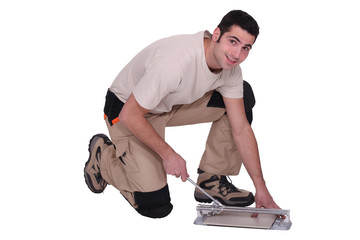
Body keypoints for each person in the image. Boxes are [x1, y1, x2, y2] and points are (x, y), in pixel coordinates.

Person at [84, 9, 281, 218]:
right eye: (233, 41)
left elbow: (240, 129)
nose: (237, 54)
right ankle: (103, 156)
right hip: (127, 109)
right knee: (154, 204)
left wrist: (261, 187)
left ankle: (211, 179)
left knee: (243, 96)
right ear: (216, 35)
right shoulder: (175, 63)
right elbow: (130, 115)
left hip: (168, 104)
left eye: (246, 48)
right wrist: (169, 154)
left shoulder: (231, 70)